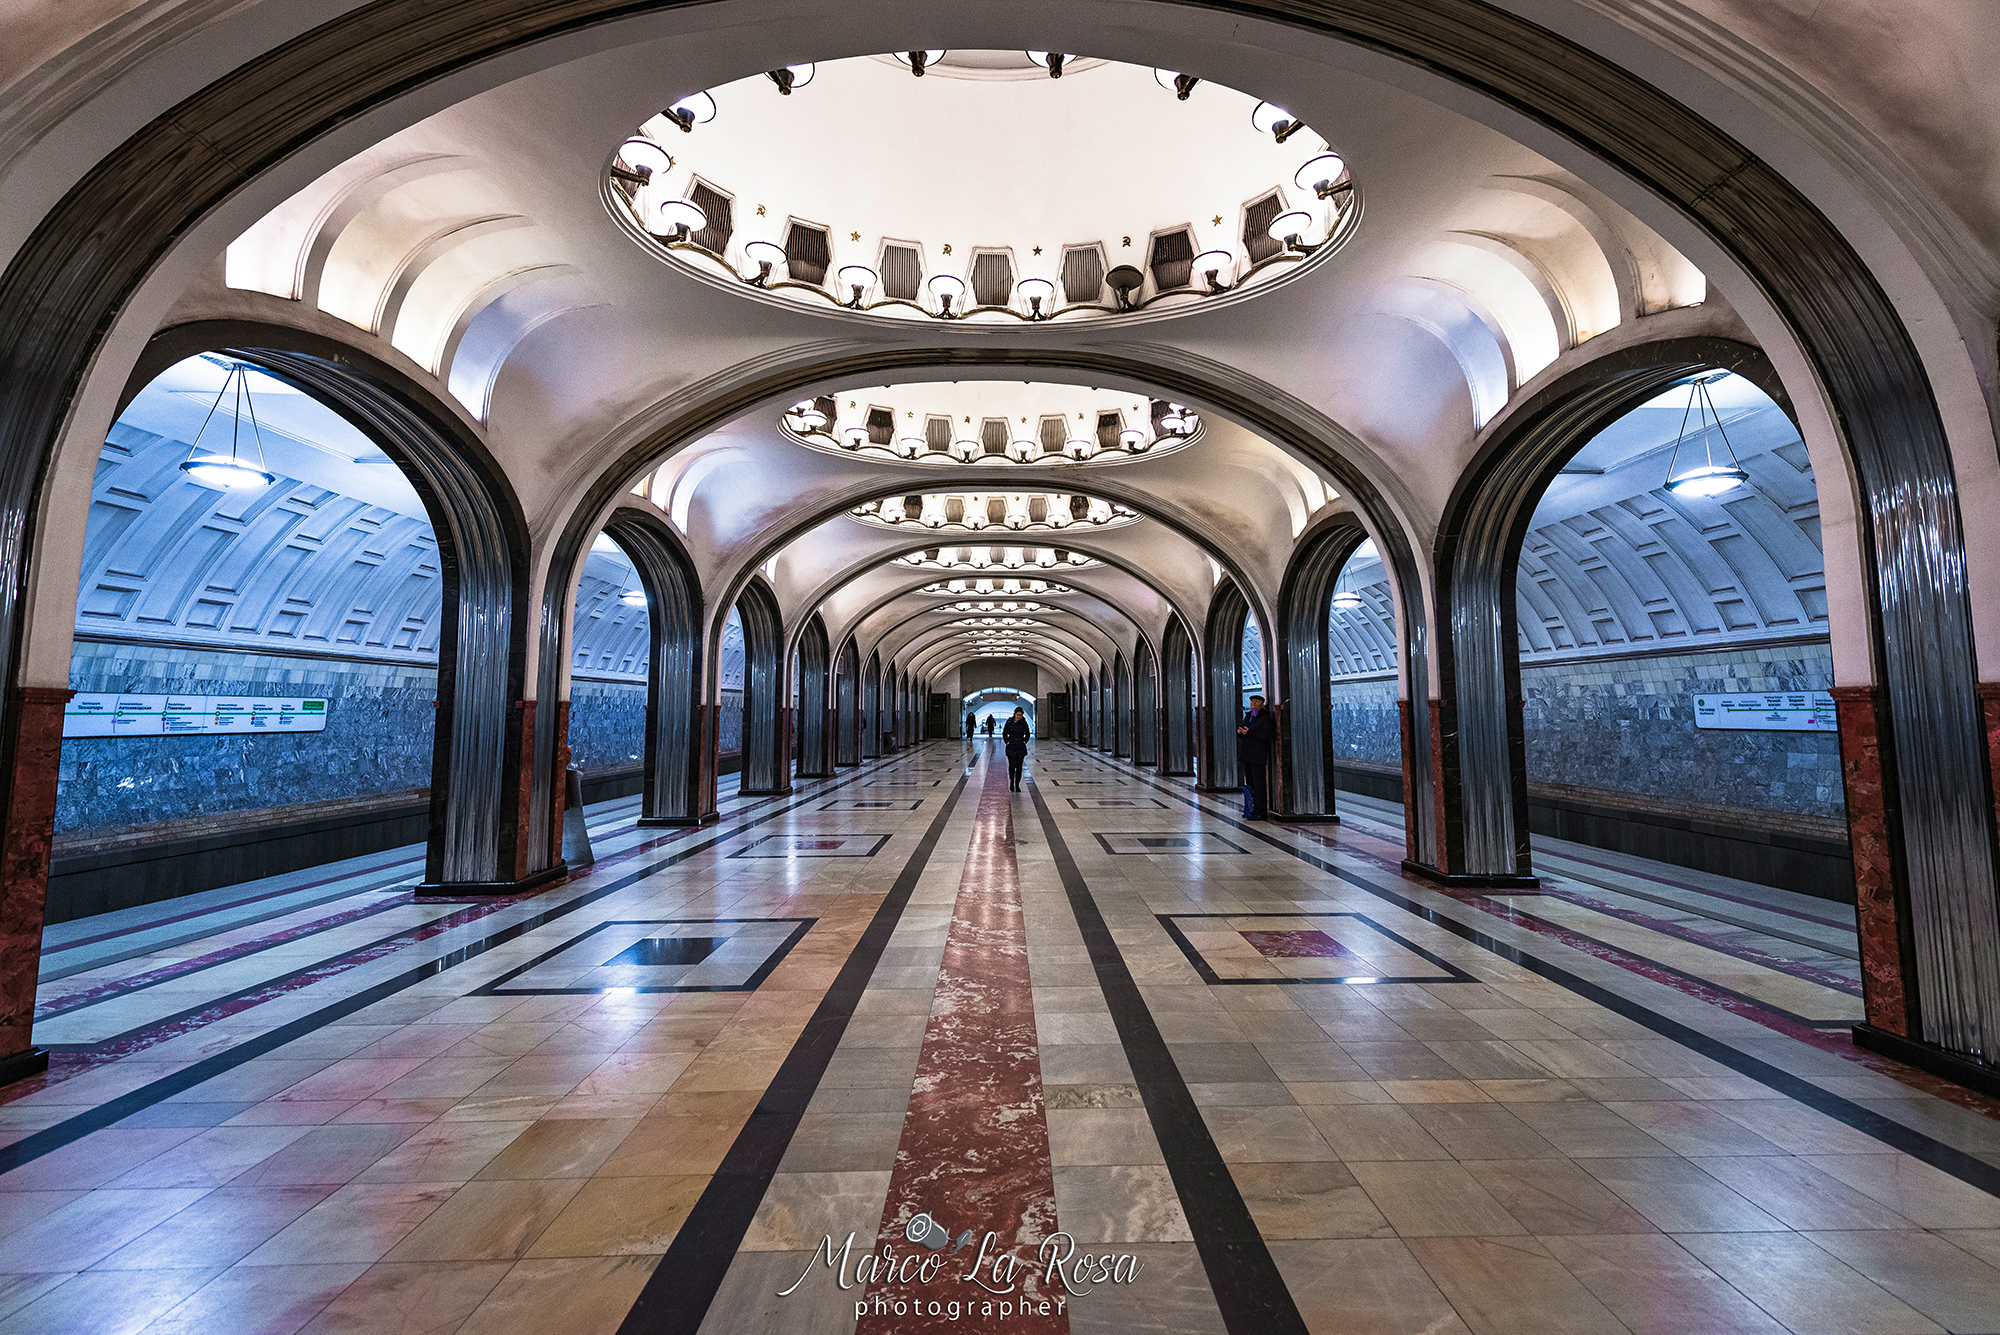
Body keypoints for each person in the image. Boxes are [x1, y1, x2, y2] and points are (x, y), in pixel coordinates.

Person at [1235, 694, 1276, 820]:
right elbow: (1244, 730)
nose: (1253, 703)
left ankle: (1260, 811)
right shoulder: (1248, 716)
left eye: (1256, 701)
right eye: (1252, 701)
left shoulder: (1265, 718)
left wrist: (1249, 733)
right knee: (1250, 784)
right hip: (1247, 755)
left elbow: (1267, 736)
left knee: (1259, 784)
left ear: (1261, 704)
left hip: (1258, 756)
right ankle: (1250, 809)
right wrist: (1240, 732)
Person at [1002, 706, 1031, 791]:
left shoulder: (1024, 723)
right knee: (1012, 765)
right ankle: (1011, 782)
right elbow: (1005, 732)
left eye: (1020, 715)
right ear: (1014, 714)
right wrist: (1007, 741)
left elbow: (1027, 733)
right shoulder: (1009, 722)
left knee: (1019, 767)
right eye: (1018, 715)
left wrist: (1025, 741)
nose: (1019, 716)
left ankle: (1017, 784)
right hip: (1011, 746)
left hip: (1020, 747)